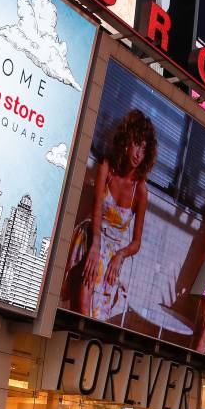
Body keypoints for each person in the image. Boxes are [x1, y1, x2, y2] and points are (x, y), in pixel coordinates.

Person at [63, 109, 157, 319]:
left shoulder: (140, 191)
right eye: (136, 144)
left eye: (144, 149)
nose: (138, 154)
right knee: (83, 304)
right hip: (91, 238)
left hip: (112, 254)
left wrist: (121, 255)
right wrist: (96, 244)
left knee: (93, 313)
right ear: (126, 141)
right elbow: (97, 206)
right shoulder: (107, 168)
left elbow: (136, 243)